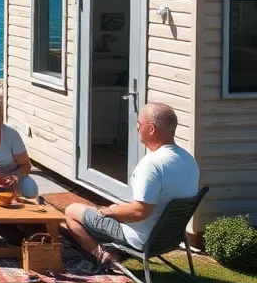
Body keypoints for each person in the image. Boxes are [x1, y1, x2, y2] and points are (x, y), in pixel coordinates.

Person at [63, 103, 200, 269]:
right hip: (169, 237)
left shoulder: (152, 164)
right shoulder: (188, 159)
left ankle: (106, 258)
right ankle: (115, 251)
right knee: (105, 211)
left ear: (151, 129)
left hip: (141, 238)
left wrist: (110, 211)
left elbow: (139, 212)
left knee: (72, 210)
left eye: (139, 125)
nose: (136, 129)